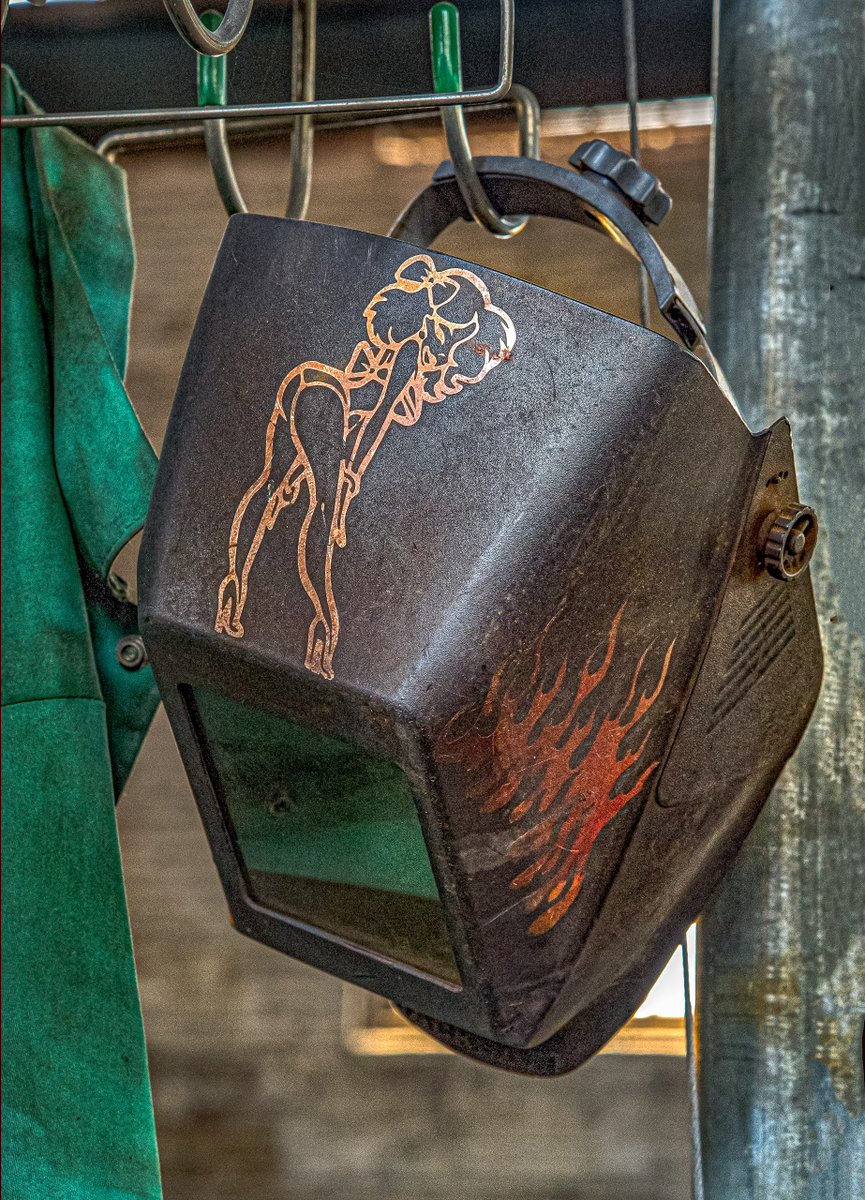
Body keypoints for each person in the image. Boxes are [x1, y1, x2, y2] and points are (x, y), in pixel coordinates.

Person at [215, 253, 516, 680]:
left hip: (309, 387)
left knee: (268, 488)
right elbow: (374, 419)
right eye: (470, 357)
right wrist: (347, 479)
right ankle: (323, 630)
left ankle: (232, 588)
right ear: (453, 336)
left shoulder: (401, 340)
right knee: (321, 514)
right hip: (329, 404)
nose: (460, 374)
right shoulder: (412, 351)